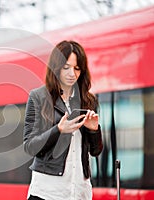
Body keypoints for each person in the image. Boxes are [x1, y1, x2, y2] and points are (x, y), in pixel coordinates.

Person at [23, 40, 103, 200]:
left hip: (80, 191)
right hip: (48, 192)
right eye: (66, 67)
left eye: (77, 68)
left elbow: (96, 151)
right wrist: (58, 130)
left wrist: (94, 130)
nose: (72, 74)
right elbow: (29, 147)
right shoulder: (38, 97)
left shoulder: (89, 101)